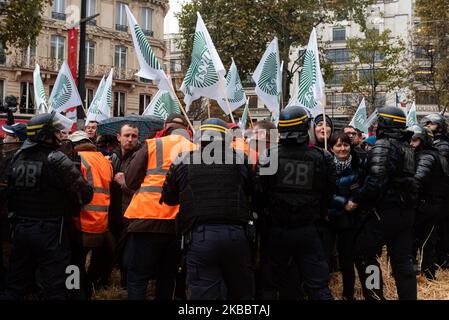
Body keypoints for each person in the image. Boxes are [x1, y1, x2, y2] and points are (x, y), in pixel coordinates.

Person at [0, 112, 93, 300]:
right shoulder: (56, 159)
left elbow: (6, 192)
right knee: (57, 287)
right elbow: (86, 194)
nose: (60, 135)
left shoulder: (16, 157)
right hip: (50, 232)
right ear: (45, 135)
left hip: (20, 230)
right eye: (56, 132)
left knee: (15, 285)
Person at [160, 118, 255, 300]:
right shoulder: (241, 160)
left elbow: (169, 199)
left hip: (200, 238)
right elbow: (253, 191)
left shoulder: (183, 160)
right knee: (242, 295)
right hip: (236, 236)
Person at [255, 105, 336, 300]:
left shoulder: (268, 156)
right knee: (317, 285)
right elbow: (329, 193)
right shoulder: (322, 157)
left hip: (276, 230)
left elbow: (259, 193)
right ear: (306, 127)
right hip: (308, 229)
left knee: (271, 284)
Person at [347, 106, 418, 300]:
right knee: (403, 261)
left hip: (384, 211)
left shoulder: (384, 144)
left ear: (385, 124)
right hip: (404, 212)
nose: (376, 125)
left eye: (379, 122)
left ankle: (374, 297)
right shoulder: (407, 147)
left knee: (364, 254)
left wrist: (356, 198)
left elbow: (375, 182)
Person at [123, 113, 195, 300]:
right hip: (177, 224)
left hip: (146, 218)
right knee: (167, 278)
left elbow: (130, 181)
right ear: (187, 129)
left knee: (138, 276)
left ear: (165, 126)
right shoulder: (196, 149)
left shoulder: (153, 144)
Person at [328, 131, 382, 300]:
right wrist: (342, 202)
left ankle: (371, 294)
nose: (343, 148)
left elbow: (367, 187)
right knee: (344, 262)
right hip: (334, 218)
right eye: (338, 145)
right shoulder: (325, 165)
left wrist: (356, 201)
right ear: (331, 148)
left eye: (345, 145)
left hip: (357, 220)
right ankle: (348, 294)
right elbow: (323, 191)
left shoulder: (360, 163)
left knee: (362, 259)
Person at [67, 130, 113, 299]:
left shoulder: (78, 159)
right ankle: (86, 290)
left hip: (81, 221)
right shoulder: (104, 160)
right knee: (83, 262)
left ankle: (75, 294)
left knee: (73, 264)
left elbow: (74, 193)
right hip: (100, 222)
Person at [409, 125, 448, 280]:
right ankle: (428, 275)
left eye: (415, 140)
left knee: (418, 241)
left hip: (425, 205)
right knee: (427, 242)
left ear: (423, 140)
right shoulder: (436, 155)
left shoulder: (426, 156)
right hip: (434, 205)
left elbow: (417, 180)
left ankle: (418, 274)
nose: (411, 144)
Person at [421, 113, 449, 268]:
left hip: (441, 193)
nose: (427, 127)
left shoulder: (442, 145)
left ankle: (442, 259)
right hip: (440, 193)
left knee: (441, 228)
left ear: (438, 125)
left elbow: (439, 170)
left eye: (430, 124)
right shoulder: (438, 143)